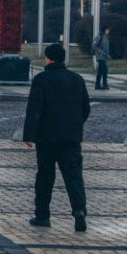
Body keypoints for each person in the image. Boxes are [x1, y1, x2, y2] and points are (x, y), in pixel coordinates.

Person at [23, 43, 90, 232]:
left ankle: (42, 215)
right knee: (74, 176)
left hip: (47, 138)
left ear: (48, 58)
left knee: (45, 176)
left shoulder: (41, 80)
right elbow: (85, 108)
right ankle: (79, 211)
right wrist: (75, 125)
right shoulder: (77, 79)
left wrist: (29, 134)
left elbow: (34, 109)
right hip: (71, 138)